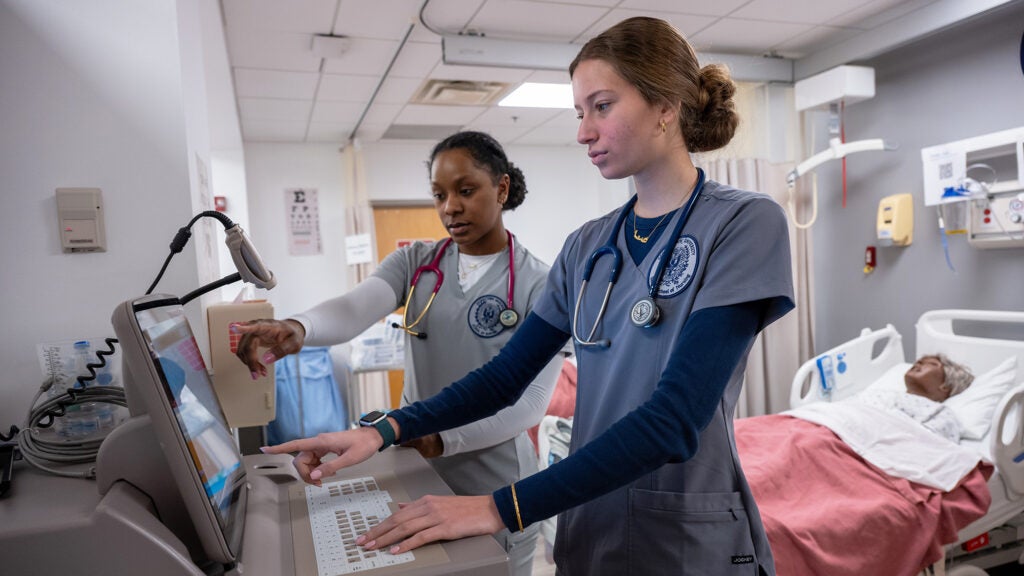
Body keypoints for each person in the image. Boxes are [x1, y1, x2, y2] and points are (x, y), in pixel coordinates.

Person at [262, 16, 795, 575]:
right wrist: (383, 430)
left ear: (665, 106)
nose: (584, 132)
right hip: (589, 521)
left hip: (685, 530)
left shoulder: (743, 223)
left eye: (602, 106)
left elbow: (675, 417)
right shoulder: (588, 246)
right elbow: (503, 378)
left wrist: (498, 508)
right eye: (579, 112)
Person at [234, 130, 561, 576]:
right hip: (417, 468)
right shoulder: (416, 263)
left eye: (466, 191)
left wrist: (440, 439)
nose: (450, 207)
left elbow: (531, 404)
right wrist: (299, 327)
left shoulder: (541, 284)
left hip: (493, 481)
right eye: (439, 195)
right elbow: (353, 309)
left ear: (501, 188)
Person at [855, 354, 974, 443]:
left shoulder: (941, 414)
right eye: (919, 362)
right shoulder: (880, 393)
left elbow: (933, 448)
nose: (917, 363)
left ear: (945, 386)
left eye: (931, 364)